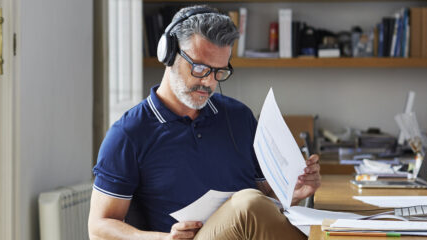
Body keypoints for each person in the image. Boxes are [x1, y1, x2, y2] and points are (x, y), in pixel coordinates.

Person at [88, 5, 321, 240]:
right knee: (246, 204)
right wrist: (162, 238)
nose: (209, 82)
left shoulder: (239, 117)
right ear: (169, 54)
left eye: (219, 72)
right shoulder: (128, 134)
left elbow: (266, 202)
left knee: (331, 227)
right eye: (200, 68)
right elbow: (99, 227)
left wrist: (294, 192)